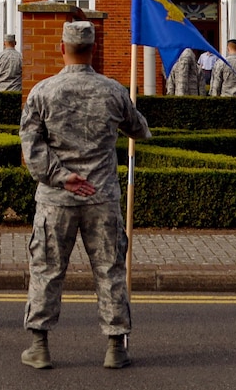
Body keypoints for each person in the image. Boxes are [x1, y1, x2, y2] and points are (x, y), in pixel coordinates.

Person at [17, 19, 150, 371]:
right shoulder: (113, 91)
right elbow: (141, 130)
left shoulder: (42, 92)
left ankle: (40, 346)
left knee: (46, 270)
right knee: (110, 270)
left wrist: (62, 176)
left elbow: (31, 148)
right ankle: (115, 347)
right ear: (94, 50)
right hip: (102, 196)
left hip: (56, 198)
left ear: (61, 49)